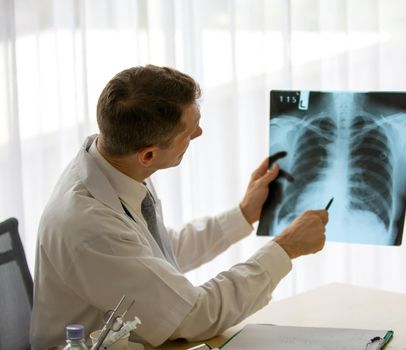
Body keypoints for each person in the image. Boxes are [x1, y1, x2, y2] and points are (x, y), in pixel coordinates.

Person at [30, 65, 329, 350]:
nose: (199, 133)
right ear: (148, 155)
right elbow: (193, 316)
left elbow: (155, 254)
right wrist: (285, 248)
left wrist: (244, 214)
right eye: (190, 131)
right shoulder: (90, 226)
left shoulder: (114, 163)